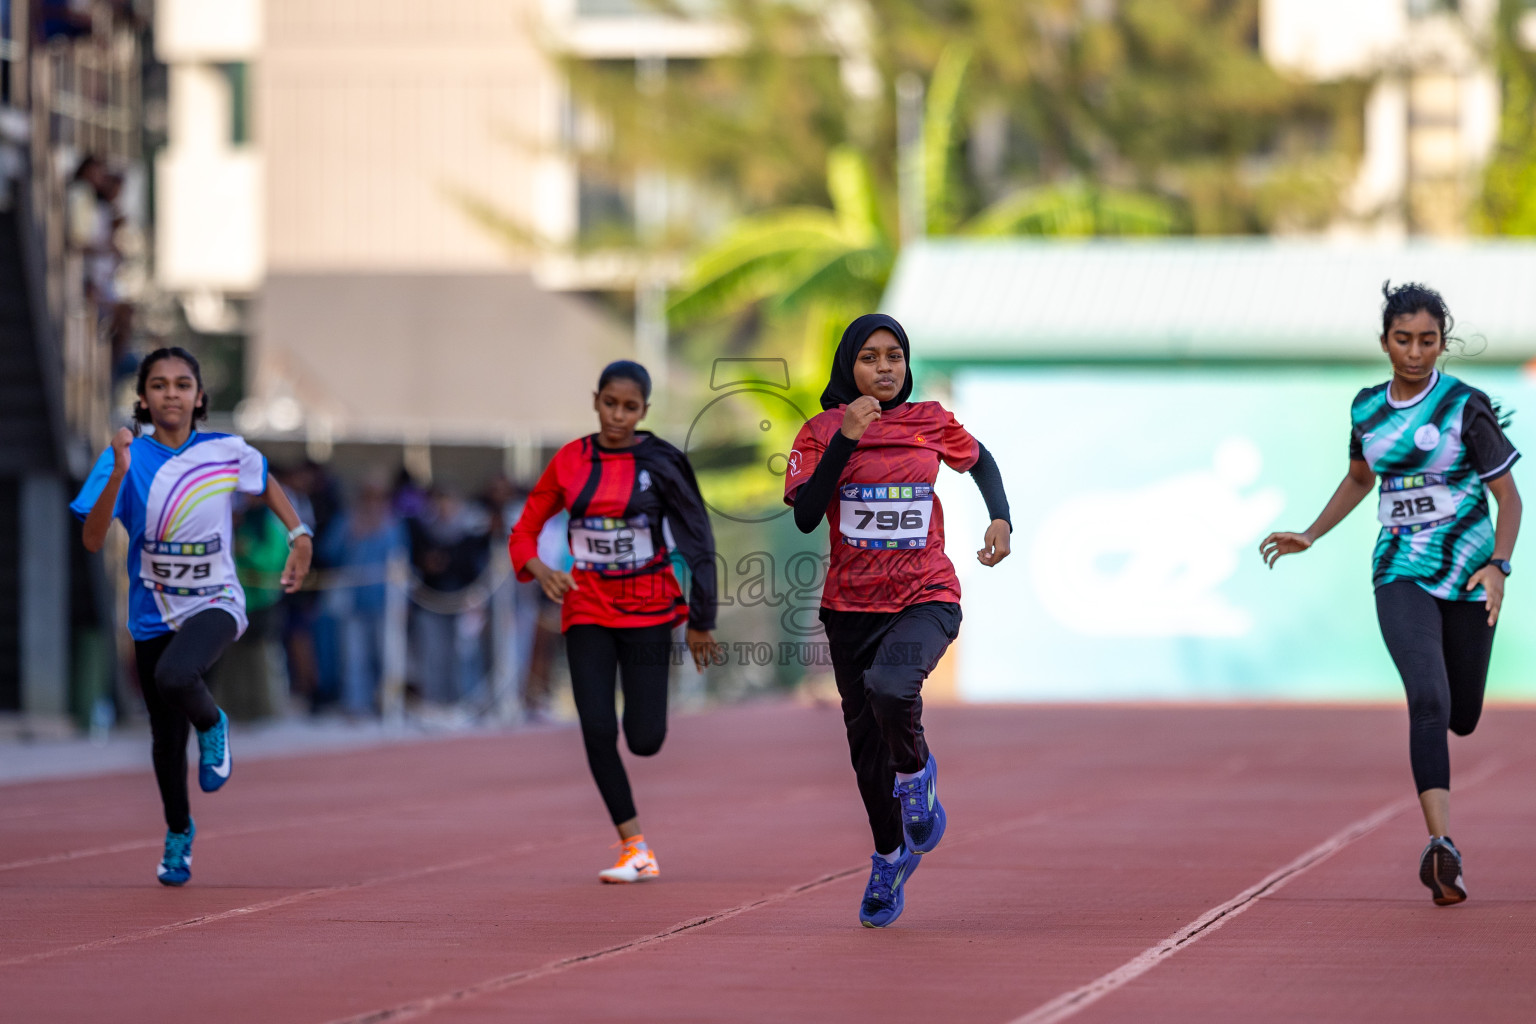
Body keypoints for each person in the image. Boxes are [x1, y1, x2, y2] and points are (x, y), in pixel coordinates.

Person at [1260, 282, 1521, 907]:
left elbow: (1508, 497)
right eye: (1403, 339)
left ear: (1441, 342)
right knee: (1427, 699)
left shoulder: (1464, 407)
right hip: (1399, 569)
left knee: (1462, 714)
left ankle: (1443, 820)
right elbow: (1359, 477)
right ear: (1384, 342)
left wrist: (1499, 567)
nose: (1415, 351)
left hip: (1467, 574)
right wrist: (1311, 533)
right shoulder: (1367, 409)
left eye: (1427, 340)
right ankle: (1442, 846)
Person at [784, 313, 1012, 928]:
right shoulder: (820, 431)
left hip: (925, 595)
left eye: (894, 357)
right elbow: (806, 515)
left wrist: (1000, 518)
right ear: (847, 367)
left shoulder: (930, 421)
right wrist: (845, 441)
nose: (884, 368)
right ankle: (888, 857)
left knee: (893, 687)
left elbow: (981, 461)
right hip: (850, 608)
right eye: (869, 358)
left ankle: (917, 775)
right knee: (864, 751)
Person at [71, 347, 313, 886]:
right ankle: (178, 833)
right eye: (159, 385)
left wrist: (299, 535)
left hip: (217, 600)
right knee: (163, 737)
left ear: (199, 398)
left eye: (182, 385)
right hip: (152, 610)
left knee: (176, 676)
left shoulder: (227, 450)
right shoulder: (121, 457)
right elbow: (91, 540)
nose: (171, 394)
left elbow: (264, 480)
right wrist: (119, 472)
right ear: (143, 398)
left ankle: (214, 722)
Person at [509, 360, 718, 883]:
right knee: (597, 727)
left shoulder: (663, 463)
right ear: (595, 399)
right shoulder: (571, 460)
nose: (617, 416)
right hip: (587, 608)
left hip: (650, 608)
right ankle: (635, 847)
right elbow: (525, 529)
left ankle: (637, 834)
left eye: (629, 407)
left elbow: (699, 541)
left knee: (645, 738)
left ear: (644, 410)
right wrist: (539, 569)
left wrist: (700, 620)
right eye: (609, 403)